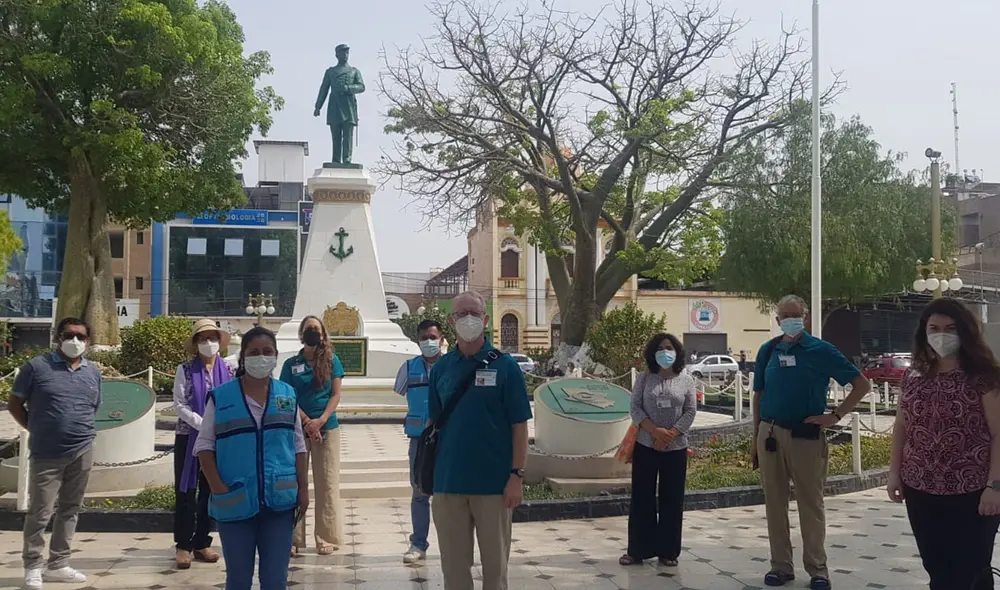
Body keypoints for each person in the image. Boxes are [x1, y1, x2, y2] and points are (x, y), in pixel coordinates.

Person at [751, 294, 871, 590]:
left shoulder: (820, 350)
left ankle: (818, 569)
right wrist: (755, 438)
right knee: (774, 504)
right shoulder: (768, 350)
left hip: (805, 436)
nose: (789, 320)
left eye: (795, 314)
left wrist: (836, 415)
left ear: (804, 317)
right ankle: (780, 566)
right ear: (777, 320)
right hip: (770, 434)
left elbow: (861, 384)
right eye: (783, 316)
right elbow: (759, 396)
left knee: (810, 504)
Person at [887, 298, 1000, 590]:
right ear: (924, 332)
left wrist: (994, 486)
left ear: (964, 332)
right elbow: (902, 426)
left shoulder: (983, 377)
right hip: (921, 489)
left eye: (950, 328)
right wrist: (894, 473)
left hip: (973, 492)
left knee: (968, 569)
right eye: (934, 328)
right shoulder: (913, 377)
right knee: (937, 568)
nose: (942, 334)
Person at [430, 291, 532, 590]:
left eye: (474, 313)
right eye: (461, 314)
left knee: (495, 568)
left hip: (494, 487)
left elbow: (519, 426)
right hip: (449, 484)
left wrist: (516, 475)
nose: (468, 319)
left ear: (486, 319)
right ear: (452, 321)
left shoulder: (506, 367)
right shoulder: (441, 368)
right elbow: (434, 425)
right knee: (454, 568)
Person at [195, 326, 308, 590]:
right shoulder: (221, 397)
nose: (261, 357)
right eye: (254, 352)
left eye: (267, 352)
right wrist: (218, 487)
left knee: (275, 580)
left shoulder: (287, 395)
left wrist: (303, 488)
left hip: (279, 501)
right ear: (243, 357)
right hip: (234, 497)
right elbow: (204, 445)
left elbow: (299, 445)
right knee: (238, 579)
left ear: (276, 356)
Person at [9, 317, 100, 590]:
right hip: (46, 453)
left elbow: (93, 407)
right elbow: (15, 405)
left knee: (70, 509)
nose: (75, 341)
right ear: (58, 337)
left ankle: (59, 564)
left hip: (82, 449)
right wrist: (36, 427)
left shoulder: (92, 372)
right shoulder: (35, 368)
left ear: (88, 341)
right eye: (70, 335)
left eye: (81, 337)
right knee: (40, 511)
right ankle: (33, 566)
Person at [620, 333, 697, 568]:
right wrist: (656, 432)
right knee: (642, 498)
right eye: (661, 348)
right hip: (646, 445)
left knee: (671, 499)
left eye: (669, 347)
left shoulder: (686, 380)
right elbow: (635, 408)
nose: (666, 352)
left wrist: (670, 434)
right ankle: (638, 550)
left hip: (675, 449)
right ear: (653, 353)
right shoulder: (644, 379)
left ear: (677, 352)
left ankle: (668, 551)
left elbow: (690, 411)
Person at [171, 319, 235, 569]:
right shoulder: (185, 369)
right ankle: (183, 545)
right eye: (203, 339)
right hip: (189, 436)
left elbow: (231, 399)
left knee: (210, 491)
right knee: (186, 491)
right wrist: (200, 423)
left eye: (212, 338)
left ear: (220, 342)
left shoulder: (229, 370)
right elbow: (179, 403)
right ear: (196, 344)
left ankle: (202, 542)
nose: (208, 343)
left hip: (219, 439)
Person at [279, 315, 345, 556]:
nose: (313, 333)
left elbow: (335, 394)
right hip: (297, 427)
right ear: (301, 334)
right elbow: (286, 396)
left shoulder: (332, 360)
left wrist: (321, 420)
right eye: (309, 329)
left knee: (327, 483)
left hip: (327, 427)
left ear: (323, 334)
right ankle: (294, 539)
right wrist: (307, 421)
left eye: (316, 329)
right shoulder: (290, 364)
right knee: (297, 483)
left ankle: (326, 536)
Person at [393, 319, 447, 564]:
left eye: (432, 337)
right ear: (417, 340)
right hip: (419, 440)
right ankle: (418, 544)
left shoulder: (450, 367)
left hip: (447, 437)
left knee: (448, 494)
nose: (428, 341)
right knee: (419, 491)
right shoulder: (408, 368)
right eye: (424, 337)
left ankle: (452, 544)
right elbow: (400, 391)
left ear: (442, 338)